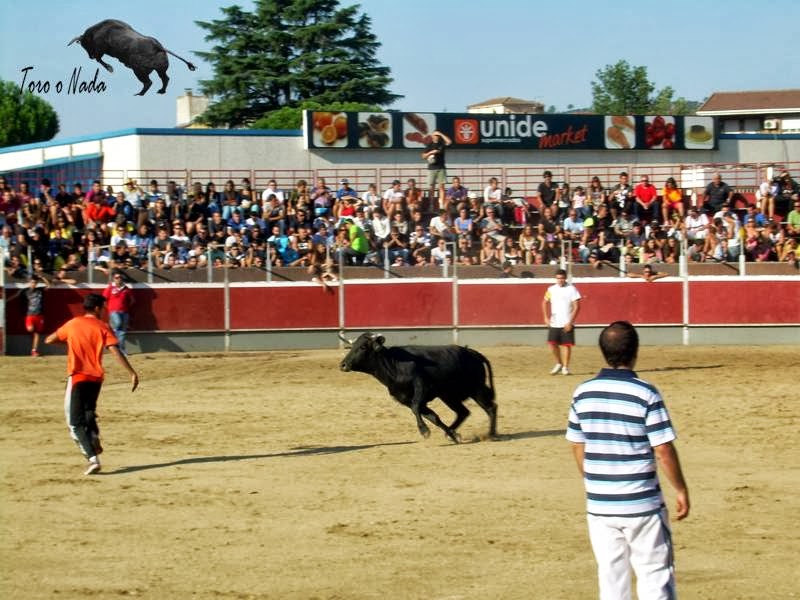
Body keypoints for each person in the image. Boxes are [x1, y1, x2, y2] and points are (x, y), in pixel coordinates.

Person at [566, 321, 689, 600]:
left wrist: (595, 482)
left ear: (602, 351)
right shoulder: (646, 392)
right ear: (635, 351)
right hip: (642, 503)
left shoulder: (582, 392)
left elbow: (577, 444)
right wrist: (680, 489)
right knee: (654, 575)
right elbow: (663, 448)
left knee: (611, 577)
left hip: (600, 504)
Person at [44, 294, 139, 475]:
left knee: (74, 423)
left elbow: (49, 339)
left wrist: (73, 343)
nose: (104, 310)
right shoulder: (103, 326)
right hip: (96, 378)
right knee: (88, 410)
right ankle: (93, 434)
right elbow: (115, 350)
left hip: (78, 376)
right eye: (103, 307)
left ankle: (92, 458)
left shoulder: (73, 324)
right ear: (96, 308)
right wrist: (131, 372)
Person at [542, 268, 581, 375]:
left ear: (565, 278)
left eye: (562, 278)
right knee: (552, 344)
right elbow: (544, 302)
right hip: (554, 321)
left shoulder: (572, 289)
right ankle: (559, 363)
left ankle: (565, 367)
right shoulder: (551, 289)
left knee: (566, 345)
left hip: (566, 321)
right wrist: (545, 317)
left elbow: (577, 306)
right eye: (558, 278)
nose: (560, 280)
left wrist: (570, 322)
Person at [8, 275, 49, 356]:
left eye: (35, 283)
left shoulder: (40, 290)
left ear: (36, 283)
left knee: (37, 333)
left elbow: (48, 285)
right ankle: (33, 346)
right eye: (32, 282)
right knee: (30, 329)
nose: (33, 284)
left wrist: (42, 277)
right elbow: (15, 295)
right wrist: (6, 301)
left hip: (39, 315)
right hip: (30, 314)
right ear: (29, 283)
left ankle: (34, 351)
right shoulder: (25, 291)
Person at [102, 269, 135, 355]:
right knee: (118, 323)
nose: (119, 279)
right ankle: (112, 332)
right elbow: (104, 300)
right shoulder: (110, 288)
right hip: (113, 311)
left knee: (122, 331)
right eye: (116, 278)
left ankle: (121, 350)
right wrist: (109, 308)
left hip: (124, 311)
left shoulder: (126, 288)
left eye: (120, 277)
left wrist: (126, 308)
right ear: (113, 279)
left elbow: (132, 300)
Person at [422, 130, 452, 211]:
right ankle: (431, 205)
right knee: (431, 187)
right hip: (431, 168)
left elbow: (449, 142)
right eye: (435, 135)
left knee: (441, 187)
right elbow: (423, 156)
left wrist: (441, 134)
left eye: (438, 135)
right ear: (432, 136)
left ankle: (441, 205)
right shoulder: (430, 145)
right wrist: (431, 153)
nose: (437, 137)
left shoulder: (441, 144)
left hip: (441, 167)